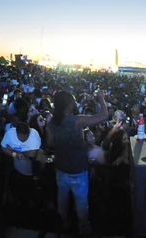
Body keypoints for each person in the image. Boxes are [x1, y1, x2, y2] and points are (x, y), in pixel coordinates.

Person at [47, 90, 108, 236]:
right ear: (68, 105)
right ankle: (83, 228)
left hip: (61, 168)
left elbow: (50, 143)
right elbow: (104, 116)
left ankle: (64, 223)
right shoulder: (76, 121)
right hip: (78, 170)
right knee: (81, 202)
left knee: (62, 199)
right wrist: (101, 99)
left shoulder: (51, 123)